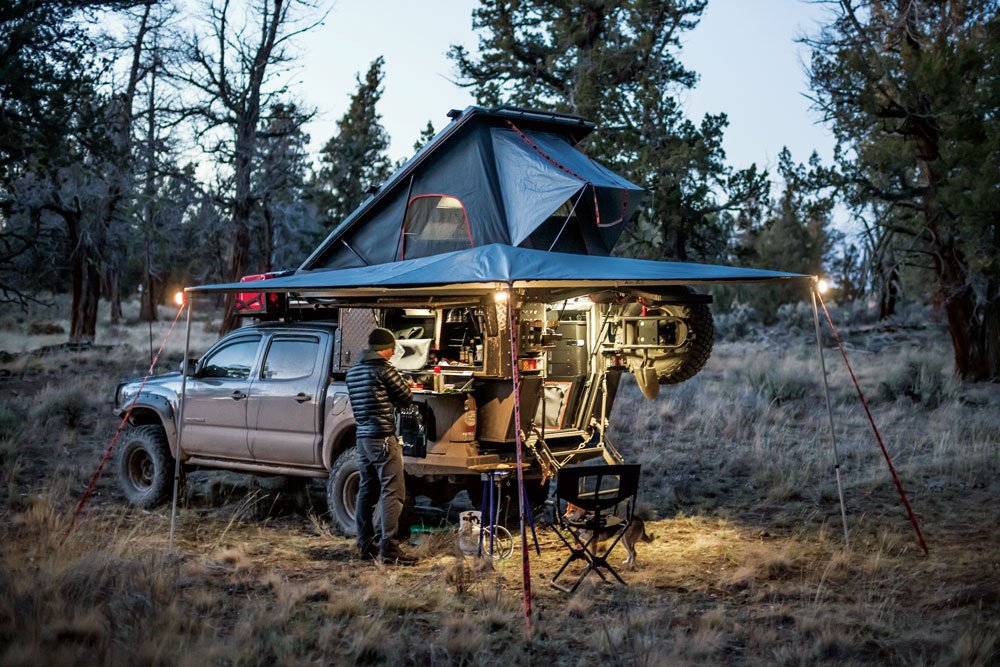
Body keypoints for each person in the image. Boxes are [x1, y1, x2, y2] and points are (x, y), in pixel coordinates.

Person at [345, 327, 416, 565]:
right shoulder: (384, 370)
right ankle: (390, 547)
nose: (394, 352)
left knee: (367, 491)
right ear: (385, 349)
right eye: (393, 348)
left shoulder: (353, 372)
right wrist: (408, 382)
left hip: (363, 439)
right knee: (392, 492)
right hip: (384, 438)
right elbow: (406, 396)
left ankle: (365, 544)